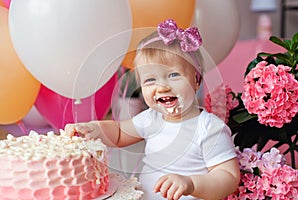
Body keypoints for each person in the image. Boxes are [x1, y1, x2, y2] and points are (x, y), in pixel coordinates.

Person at [65, 19, 240, 200]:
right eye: (150, 80)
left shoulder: (209, 128)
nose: (162, 87)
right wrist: (94, 129)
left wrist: (191, 183)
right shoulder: (152, 118)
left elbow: (228, 178)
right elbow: (118, 133)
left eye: (173, 75)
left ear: (196, 81)